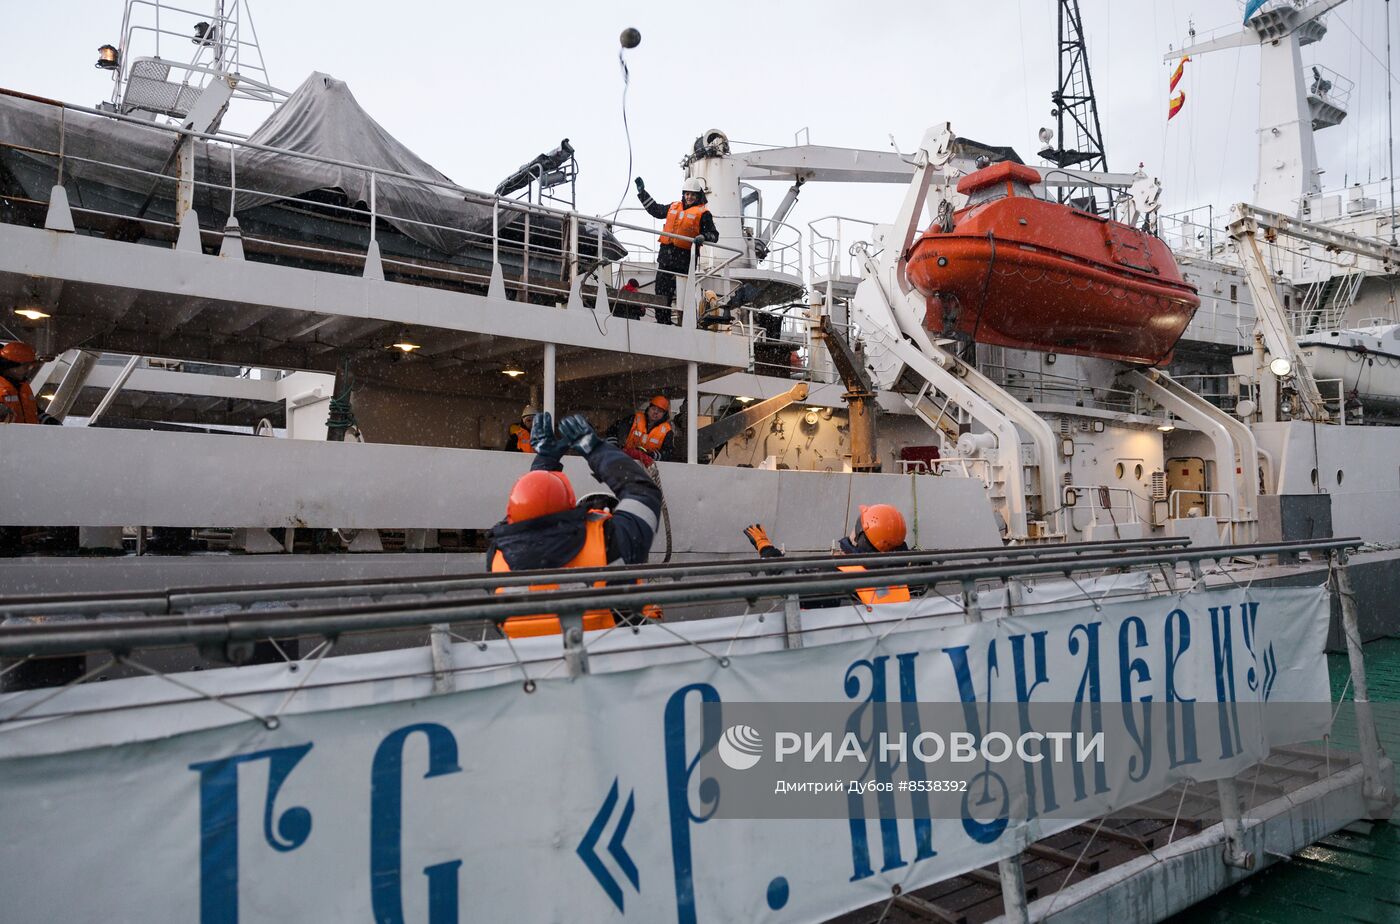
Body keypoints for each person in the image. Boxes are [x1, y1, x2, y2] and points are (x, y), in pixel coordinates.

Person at [486, 411, 662, 638]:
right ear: (570, 504)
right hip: (608, 658)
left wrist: (544, 461)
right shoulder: (608, 542)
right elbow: (644, 494)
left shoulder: (497, 554)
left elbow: (529, 515)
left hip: (530, 663)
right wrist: (596, 450)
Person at [743, 504, 912, 606]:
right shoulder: (907, 572)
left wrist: (766, 549)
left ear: (861, 537)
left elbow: (788, 582)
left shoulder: (845, 574)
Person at [634, 176, 719, 325]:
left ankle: (686, 323)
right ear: (683, 194)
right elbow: (655, 210)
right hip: (666, 258)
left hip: (684, 260)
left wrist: (703, 236)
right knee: (661, 290)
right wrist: (642, 193)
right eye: (687, 194)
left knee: (682, 295)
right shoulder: (673, 206)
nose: (689, 197)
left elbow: (714, 235)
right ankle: (663, 321)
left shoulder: (703, 213)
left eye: (692, 194)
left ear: (698, 196)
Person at [610, 395, 675, 463]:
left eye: (660, 411)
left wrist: (651, 455)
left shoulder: (667, 431)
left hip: (649, 465)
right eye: (653, 409)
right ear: (648, 408)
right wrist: (613, 446)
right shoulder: (634, 419)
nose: (655, 412)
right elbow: (613, 430)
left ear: (664, 414)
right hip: (626, 460)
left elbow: (668, 453)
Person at [0, 341, 45, 425]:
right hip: (6, 437)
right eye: (26, 366)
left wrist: (45, 418)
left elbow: (33, 410)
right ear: (11, 366)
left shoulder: (23, 386)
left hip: (26, 436)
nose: (29, 369)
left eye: (30, 366)